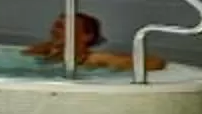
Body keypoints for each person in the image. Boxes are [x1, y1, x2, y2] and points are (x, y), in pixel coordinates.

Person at [25, 11, 165, 72]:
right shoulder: (46, 52)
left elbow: (156, 62)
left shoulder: (95, 60)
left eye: (63, 27)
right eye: (55, 26)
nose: (54, 31)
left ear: (87, 36)